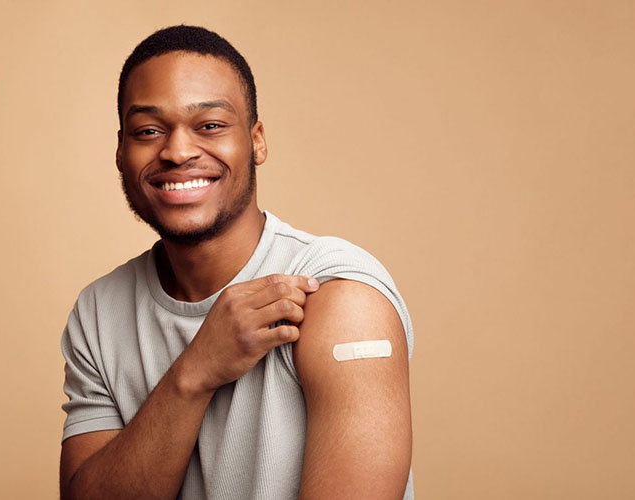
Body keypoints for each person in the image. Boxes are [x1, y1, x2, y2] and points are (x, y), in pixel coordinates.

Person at [58, 25, 415, 500]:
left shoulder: (341, 296)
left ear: (257, 142)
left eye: (209, 125)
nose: (178, 151)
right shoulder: (99, 312)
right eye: (149, 130)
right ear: (121, 150)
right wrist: (196, 371)